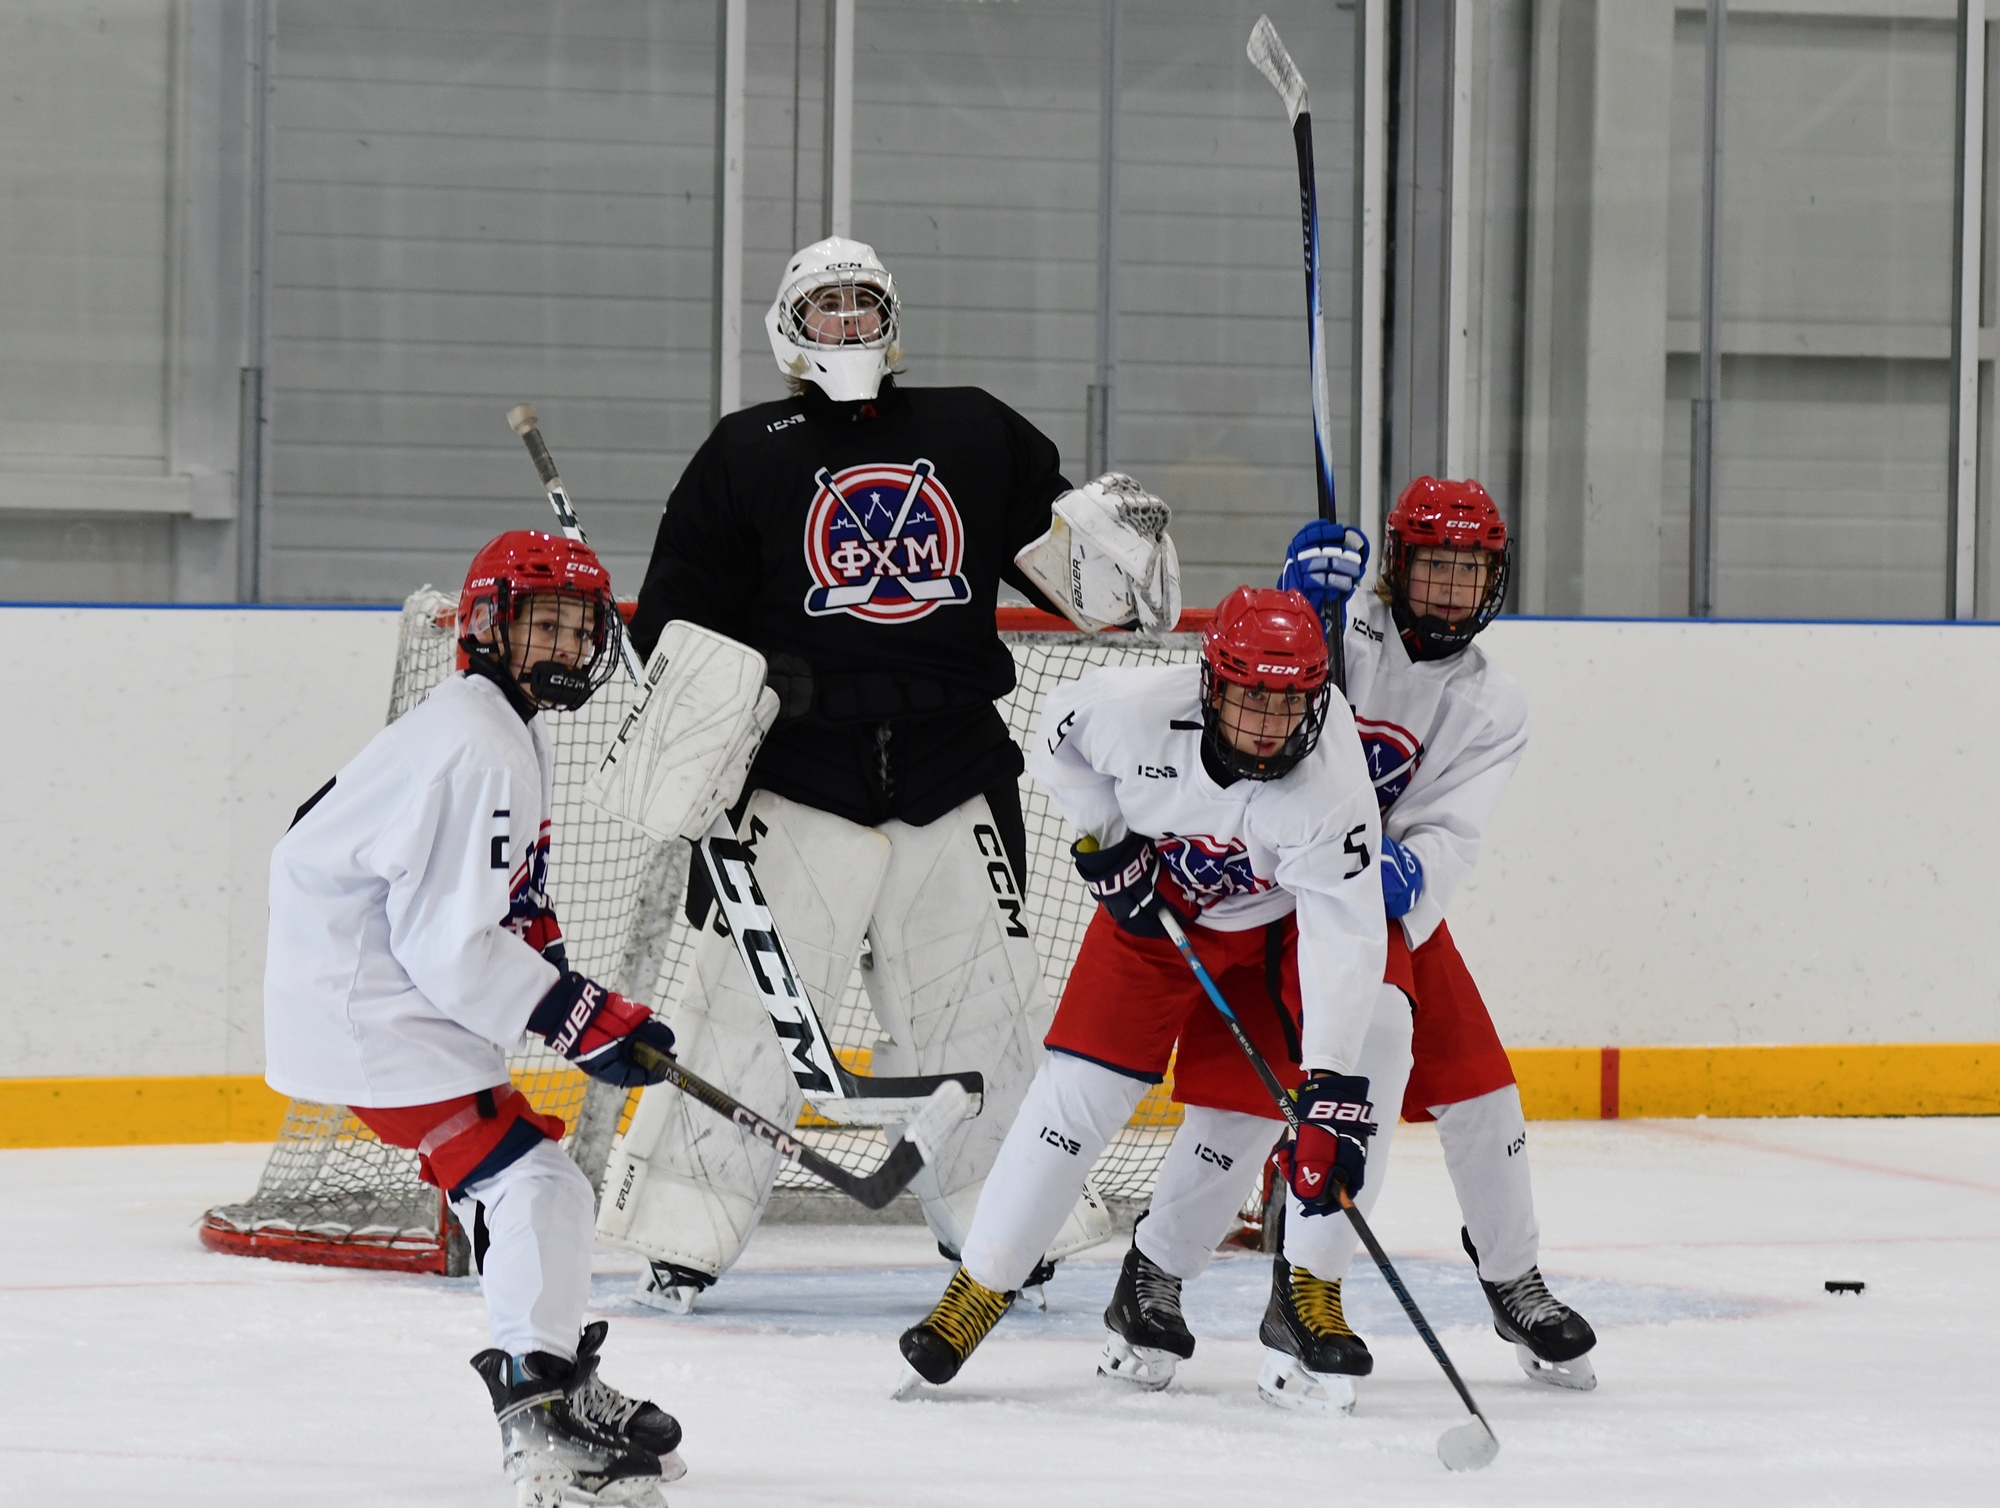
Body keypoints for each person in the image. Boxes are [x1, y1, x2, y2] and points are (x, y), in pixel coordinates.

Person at [602, 236, 1182, 1311]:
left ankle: (1011, 1235)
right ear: (787, 327)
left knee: (979, 1017)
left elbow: (1078, 580)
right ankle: (680, 1235)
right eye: (823, 307)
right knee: (743, 1014)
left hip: (948, 766)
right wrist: (709, 725)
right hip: (795, 776)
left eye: (861, 304)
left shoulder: (971, 429)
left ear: (891, 319)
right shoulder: (742, 451)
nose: (844, 324)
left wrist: (1124, 550)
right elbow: (674, 619)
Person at [896, 587, 1414, 1415]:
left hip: (1278, 925)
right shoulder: (1129, 710)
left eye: (1288, 704)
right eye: (1249, 698)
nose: (1267, 724)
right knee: (1078, 1096)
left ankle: (1300, 1291)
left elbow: (1344, 933)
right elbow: (1057, 740)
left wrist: (1330, 1082)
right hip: (1158, 914)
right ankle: (977, 1293)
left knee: (1327, 1078)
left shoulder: (1333, 779)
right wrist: (1110, 840)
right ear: (1211, 686)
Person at [263, 531, 688, 1506]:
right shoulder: (480, 744)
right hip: (370, 1005)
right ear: (490, 625)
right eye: (543, 622)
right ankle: (539, 1413)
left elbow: (499, 901)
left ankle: (553, 1378)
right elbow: (450, 943)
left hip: (376, 989)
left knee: (532, 1192)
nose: (564, 643)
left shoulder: (504, 722)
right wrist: (582, 1015)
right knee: (536, 1187)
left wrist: (567, 988)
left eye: (578, 627)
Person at [1276, 477, 1599, 1390]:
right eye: (1434, 567)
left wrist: (1407, 868)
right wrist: (1300, 603)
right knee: (1359, 1085)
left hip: (1386, 913)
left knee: (1485, 1092)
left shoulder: (1495, 703)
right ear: (1398, 567)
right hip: (1288, 898)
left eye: (1471, 570)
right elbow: (1253, 709)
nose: (1452, 589)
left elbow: (1453, 831)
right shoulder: (1349, 631)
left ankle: (1512, 1278)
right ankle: (1312, 1291)